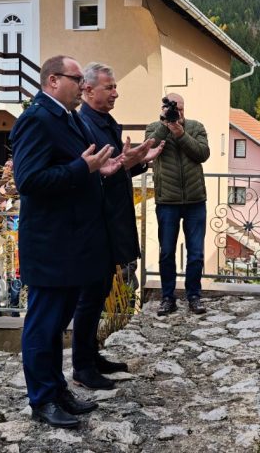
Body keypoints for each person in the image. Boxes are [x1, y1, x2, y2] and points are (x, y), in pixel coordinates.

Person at [10, 54, 121, 429]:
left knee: (57, 324)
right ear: (53, 80)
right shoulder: (36, 119)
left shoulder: (67, 117)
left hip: (70, 243)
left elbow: (74, 170)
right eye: (76, 79)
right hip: (50, 245)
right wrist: (81, 168)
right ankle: (42, 399)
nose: (82, 86)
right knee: (43, 325)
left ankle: (57, 390)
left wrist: (99, 170)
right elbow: (29, 181)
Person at [72, 62, 163, 390]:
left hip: (112, 219)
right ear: (88, 89)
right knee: (90, 294)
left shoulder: (105, 122)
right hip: (96, 222)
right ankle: (82, 366)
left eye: (114, 87)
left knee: (99, 292)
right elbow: (89, 174)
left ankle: (91, 355)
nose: (115, 93)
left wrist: (138, 162)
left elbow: (115, 169)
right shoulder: (83, 125)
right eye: (109, 87)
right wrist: (124, 163)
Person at [145, 93, 210, 316]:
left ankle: (194, 296)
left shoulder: (196, 127)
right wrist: (164, 126)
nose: (177, 112)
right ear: (163, 109)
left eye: (180, 108)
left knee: (196, 253)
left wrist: (181, 133)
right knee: (166, 252)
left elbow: (202, 154)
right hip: (167, 201)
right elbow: (148, 149)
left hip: (195, 200)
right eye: (174, 109)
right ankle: (167, 298)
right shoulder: (154, 128)